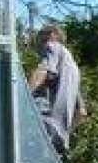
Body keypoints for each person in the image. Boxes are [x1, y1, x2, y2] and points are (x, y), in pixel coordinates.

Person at [28, 24, 85, 154]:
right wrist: (63, 132)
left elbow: (41, 72)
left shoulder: (52, 46)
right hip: (59, 140)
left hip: (44, 126)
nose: (38, 49)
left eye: (39, 41)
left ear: (52, 36)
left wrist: (22, 96)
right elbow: (82, 112)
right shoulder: (72, 68)